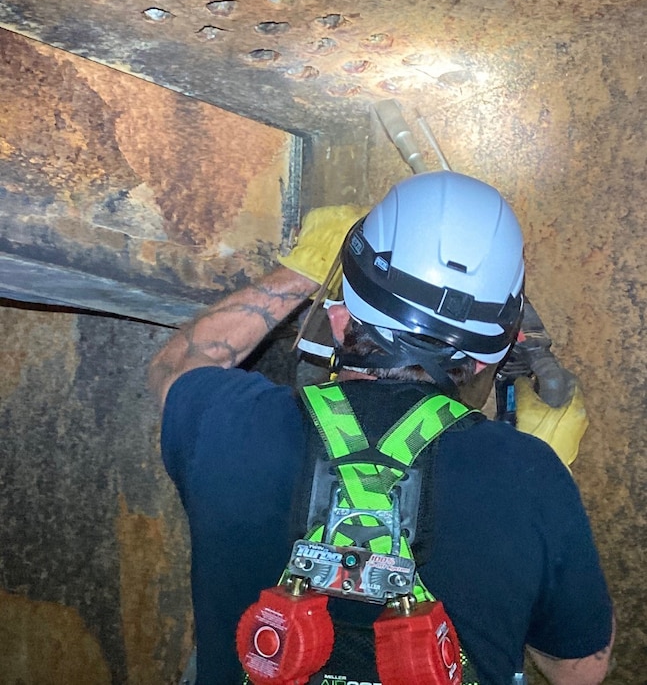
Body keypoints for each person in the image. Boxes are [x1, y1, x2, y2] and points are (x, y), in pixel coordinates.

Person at [149, 170, 614, 685]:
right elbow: (580, 671)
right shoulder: (532, 476)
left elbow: (174, 370)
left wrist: (300, 271)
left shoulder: (227, 423)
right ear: (485, 361)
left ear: (342, 319)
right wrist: (540, 481)